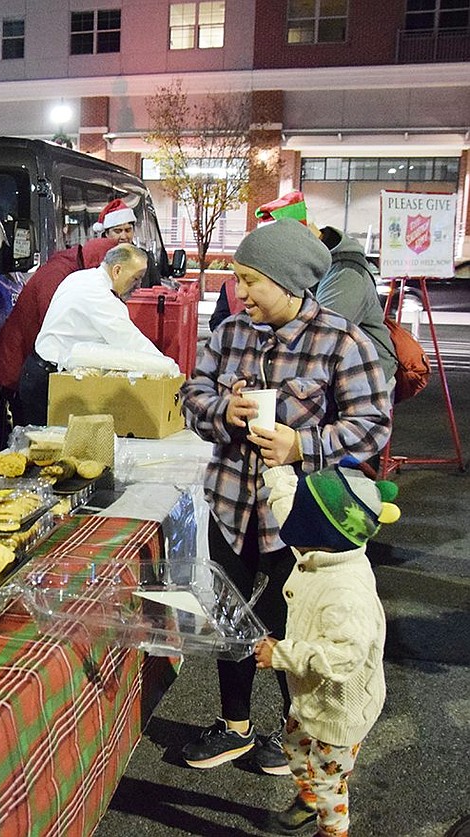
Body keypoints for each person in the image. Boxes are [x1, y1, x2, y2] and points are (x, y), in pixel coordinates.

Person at [180, 218, 391, 776]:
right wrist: (222, 410)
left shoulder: (343, 341)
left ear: (290, 280)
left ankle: (291, 730)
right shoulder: (228, 335)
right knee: (229, 617)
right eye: (236, 278)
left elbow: (373, 426)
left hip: (296, 517)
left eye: (251, 280)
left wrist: (305, 444)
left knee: (289, 627)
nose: (239, 292)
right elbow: (191, 396)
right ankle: (234, 727)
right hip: (229, 503)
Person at [255, 462, 397, 835]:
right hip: (312, 698)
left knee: (330, 781)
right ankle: (308, 796)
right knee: (295, 748)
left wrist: (282, 654)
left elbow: (344, 656)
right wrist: (277, 471)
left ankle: (333, 829)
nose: (290, 533)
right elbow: (290, 505)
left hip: (341, 710)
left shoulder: (346, 592)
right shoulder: (327, 545)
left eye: (299, 525)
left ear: (318, 532)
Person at [256, 191, 398, 391]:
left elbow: (321, 333)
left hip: (363, 378)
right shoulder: (306, 265)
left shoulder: (345, 273)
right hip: (331, 372)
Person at [15, 243, 162, 426]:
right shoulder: (100, 296)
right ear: (117, 270)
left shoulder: (81, 277)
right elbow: (132, 343)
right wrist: (170, 371)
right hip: (47, 382)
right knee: (44, 448)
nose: (138, 286)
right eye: (135, 278)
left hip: (38, 371)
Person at [0, 236, 117, 412]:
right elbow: (53, 323)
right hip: (18, 366)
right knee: (25, 431)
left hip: (29, 363)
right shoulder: (58, 273)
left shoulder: (74, 268)